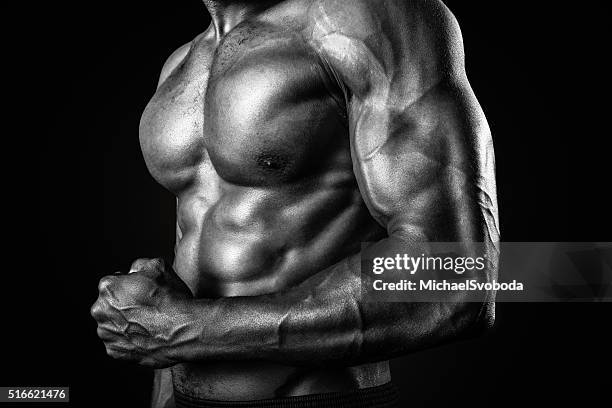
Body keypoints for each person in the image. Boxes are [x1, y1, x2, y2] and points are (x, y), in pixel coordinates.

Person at [90, 0, 499, 406]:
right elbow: (189, 249)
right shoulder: (180, 63)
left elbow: (455, 273)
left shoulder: (367, 16)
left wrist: (189, 329)